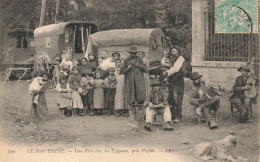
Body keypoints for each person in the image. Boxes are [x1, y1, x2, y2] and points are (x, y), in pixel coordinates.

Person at [121, 45, 148, 126]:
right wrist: (127, 68)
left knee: (140, 96)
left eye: (134, 53)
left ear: (136, 53)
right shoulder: (126, 61)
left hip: (139, 80)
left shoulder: (140, 60)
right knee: (131, 96)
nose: (133, 54)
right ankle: (132, 115)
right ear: (130, 53)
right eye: (131, 53)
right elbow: (122, 71)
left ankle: (141, 115)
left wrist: (138, 65)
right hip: (130, 81)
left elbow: (145, 69)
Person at [163, 46, 186, 123]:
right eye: (172, 51)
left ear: (177, 52)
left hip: (178, 81)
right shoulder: (172, 59)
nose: (173, 53)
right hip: (172, 80)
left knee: (177, 98)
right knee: (170, 98)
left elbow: (176, 69)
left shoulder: (180, 58)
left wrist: (167, 72)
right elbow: (163, 63)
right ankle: (172, 115)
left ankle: (178, 116)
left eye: (174, 51)